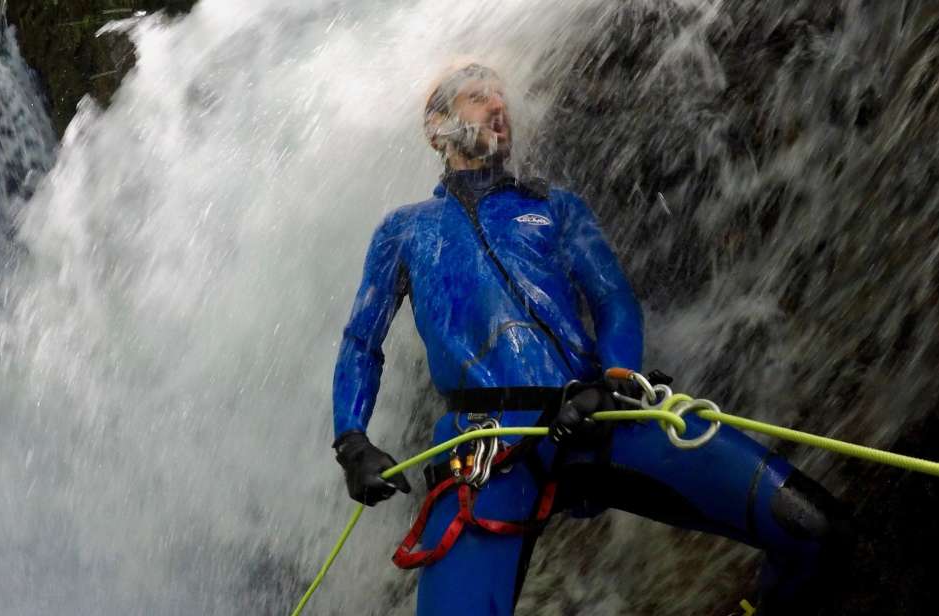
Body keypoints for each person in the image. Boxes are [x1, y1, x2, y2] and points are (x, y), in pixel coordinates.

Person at [330, 62, 851, 615]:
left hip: (596, 413)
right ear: (437, 128)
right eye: (479, 97)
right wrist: (351, 441)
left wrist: (617, 375)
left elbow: (613, 300)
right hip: (484, 445)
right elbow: (363, 339)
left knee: (813, 527)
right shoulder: (405, 230)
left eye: (502, 96)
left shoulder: (556, 207)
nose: (498, 105)